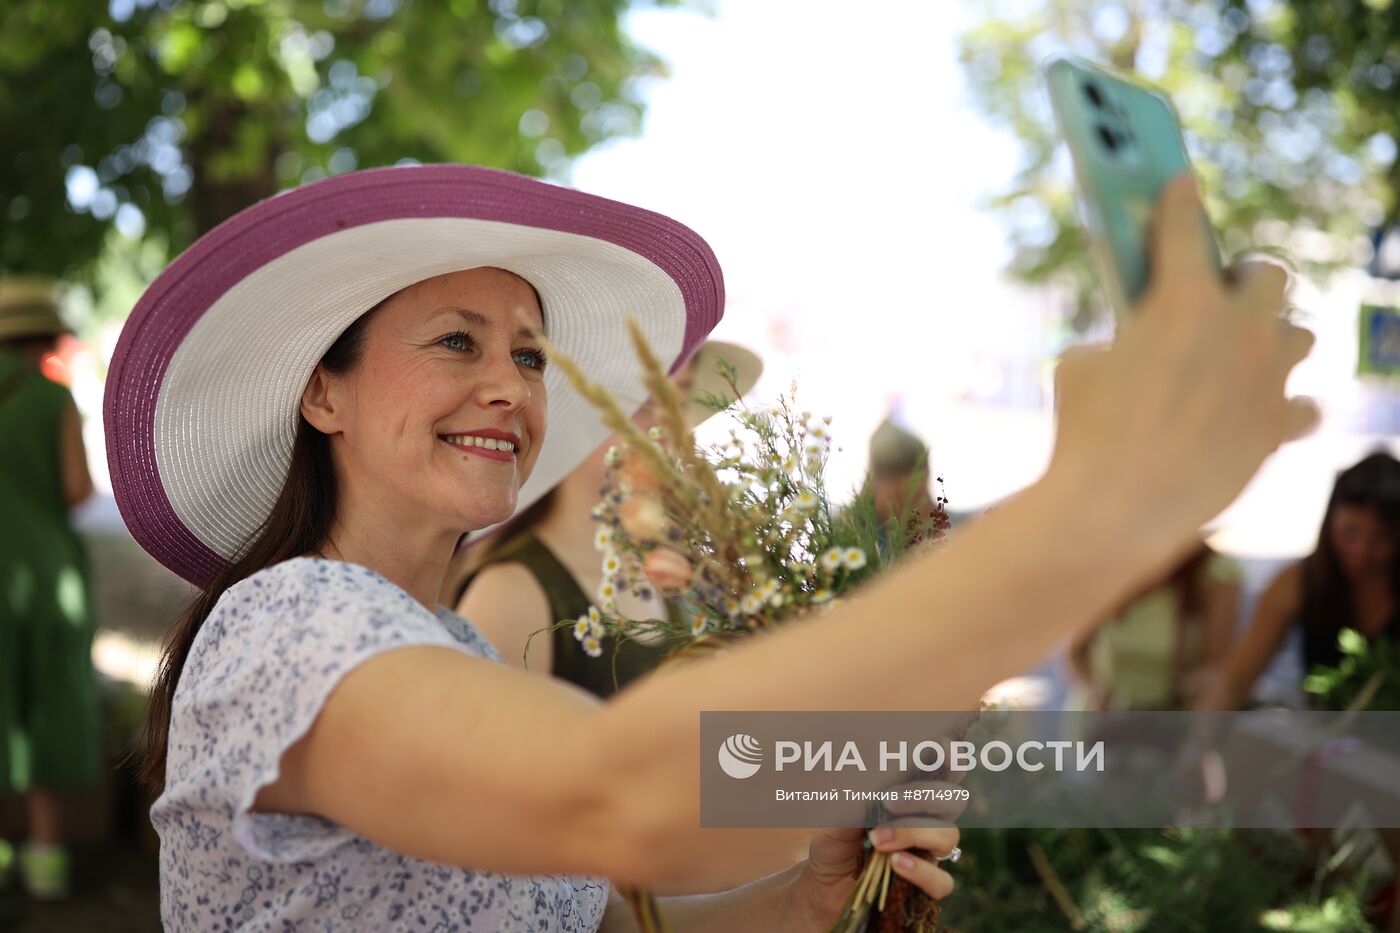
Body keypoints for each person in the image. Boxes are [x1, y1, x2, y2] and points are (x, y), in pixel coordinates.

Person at [107, 165, 1312, 929]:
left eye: (528, 354)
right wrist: (1092, 515)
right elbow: (623, 795)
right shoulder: (284, 625)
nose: (508, 388)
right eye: (454, 343)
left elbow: (593, 916)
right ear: (321, 394)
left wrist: (802, 894)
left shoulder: (457, 647)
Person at [448, 341, 762, 697]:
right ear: (575, 411)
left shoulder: (682, 574)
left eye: (679, 401)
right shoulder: (511, 595)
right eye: (644, 404)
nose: (665, 429)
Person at [0, 278, 100, 900]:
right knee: (49, 704)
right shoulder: (53, 397)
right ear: (45, 337)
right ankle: (46, 864)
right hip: (47, 574)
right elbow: (77, 490)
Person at [1202, 451, 1400, 712]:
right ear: (1330, 522)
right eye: (1350, 532)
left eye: (1379, 539)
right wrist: (1198, 747)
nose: (1361, 550)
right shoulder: (1298, 581)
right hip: (1324, 741)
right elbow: (1235, 678)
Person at [1070, 542, 1241, 710]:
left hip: (1174, 723)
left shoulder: (1214, 572)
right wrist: (1093, 690)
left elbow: (1213, 673)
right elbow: (1075, 652)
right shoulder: (1108, 567)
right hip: (1102, 720)